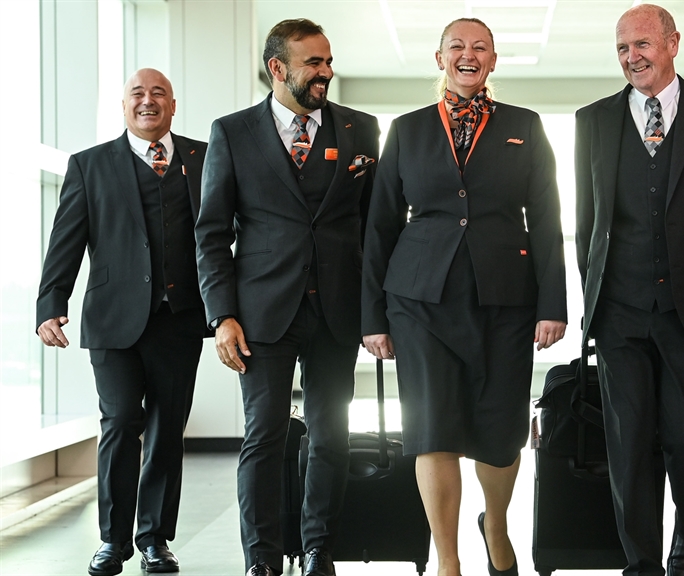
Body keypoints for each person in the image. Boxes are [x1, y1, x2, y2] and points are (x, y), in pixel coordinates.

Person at [361, 17, 567, 576]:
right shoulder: (407, 129)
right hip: (419, 302)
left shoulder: (525, 125)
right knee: (433, 430)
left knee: (500, 433)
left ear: (493, 61)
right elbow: (379, 227)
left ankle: (495, 524)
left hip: (505, 300)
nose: (468, 55)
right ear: (440, 58)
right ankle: (448, 561)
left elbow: (547, 220)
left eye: (480, 48)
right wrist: (372, 317)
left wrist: (552, 305)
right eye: (457, 46)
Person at [194, 19, 379, 576]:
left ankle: (319, 550)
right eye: (313, 63)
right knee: (264, 437)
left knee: (331, 435)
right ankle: (263, 558)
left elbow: (375, 230)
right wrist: (222, 316)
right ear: (278, 68)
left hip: (337, 310)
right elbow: (211, 233)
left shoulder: (361, 129)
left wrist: (377, 312)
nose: (326, 72)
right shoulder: (232, 133)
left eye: (329, 61)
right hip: (261, 314)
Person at [575, 4, 684, 576]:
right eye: (622, 47)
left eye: (643, 44)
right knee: (627, 444)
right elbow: (588, 223)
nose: (632, 57)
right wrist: (594, 298)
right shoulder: (593, 120)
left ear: (673, 43)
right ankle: (641, 564)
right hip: (619, 311)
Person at [36, 68, 207, 576]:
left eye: (158, 94)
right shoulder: (89, 165)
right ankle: (113, 541)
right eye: (138, 93)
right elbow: (66, 238)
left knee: (167, 429)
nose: (147, 101)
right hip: (113, 319)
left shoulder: (205, 158)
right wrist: (51, 302)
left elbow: (228, 233)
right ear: (124, 105)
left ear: (173, 105)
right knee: (119, 422)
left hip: (180, 318)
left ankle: (155, 540)